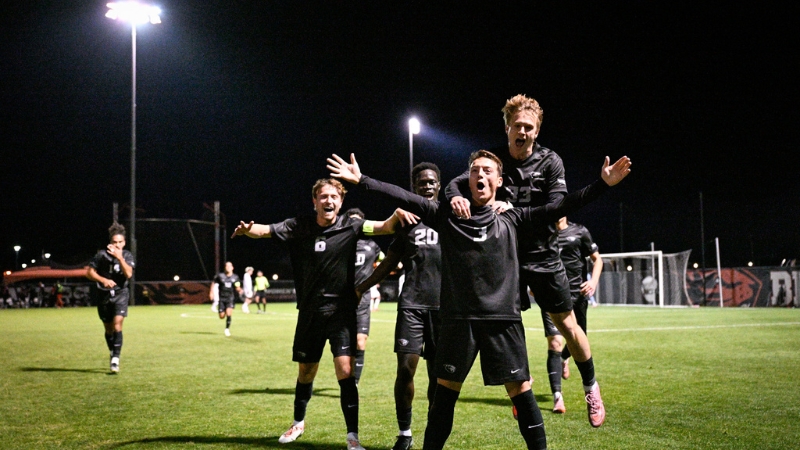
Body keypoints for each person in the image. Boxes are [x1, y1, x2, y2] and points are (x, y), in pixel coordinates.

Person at [327, 150, 631, 450]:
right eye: (475, 171)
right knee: (444, 398)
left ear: (499, 181)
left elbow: (561, 206)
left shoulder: (514, 217)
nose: (480, 175)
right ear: (468, 180)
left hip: (503, 323)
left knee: (522, 393)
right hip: (459, 323)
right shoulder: (447, 216)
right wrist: (362, 180)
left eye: (487, 171)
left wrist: (602, 185)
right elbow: (404, 197)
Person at [446, 94, 608, 427]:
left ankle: (591, 386)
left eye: (530, 128)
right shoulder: (493, 160)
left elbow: (558, 206)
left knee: (567, 324)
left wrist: (517, 212)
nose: (523, 132)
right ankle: (521, 394)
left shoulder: (550, 162)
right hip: (506, 259)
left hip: (544, 256)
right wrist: (456, 197)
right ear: (507, 127)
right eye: (517, 125)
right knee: (508, 326)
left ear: (537, 131)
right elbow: (455, 184)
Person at [231, 178, 412, 450]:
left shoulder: (351, 226)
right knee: (306, 372)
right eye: (323, 196)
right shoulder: (298, 226)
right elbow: (266, 230)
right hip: (310, 314)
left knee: (346, 371)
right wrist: (248, 230)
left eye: (334, 197)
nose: (329, 201)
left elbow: (384, 227)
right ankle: (298, 423)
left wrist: (396, 216)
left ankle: (353, 437)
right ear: (314, 201)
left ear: (341, 202)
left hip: (341, 314)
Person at [354, 162, 443, 450]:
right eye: (421, 183)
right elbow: (389, 262)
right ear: (414, 188)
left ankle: (433, 431)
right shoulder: (407, 222)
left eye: (431, 182)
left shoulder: (451, 217)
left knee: (437, 377)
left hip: (444, 308)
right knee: (406, 369)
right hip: (412, 306)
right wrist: (360, 288)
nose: (427, 186)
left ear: (439, 185)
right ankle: (404, 434)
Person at [554, 217, 604, 408]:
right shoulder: (545, 234)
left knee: (578, 336)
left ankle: (562, 358)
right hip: (555, 295)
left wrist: (593, 282)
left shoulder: (580, 231)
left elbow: (597, 259)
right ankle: (557, 389)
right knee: (556, 339)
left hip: (578, 295)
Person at [85, 222, 136, 374]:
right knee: (108, 329)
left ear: (124, 242)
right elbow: (89, 273)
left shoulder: (127, 255)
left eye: (120, 242)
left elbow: (128, 274)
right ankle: (112, 352)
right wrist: (103, 280)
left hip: (121, 293)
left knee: (118, 324)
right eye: (115, 242)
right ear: (110, 243)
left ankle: (116, 359)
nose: (118, 245)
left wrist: (120, 258)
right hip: (104, 295)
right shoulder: (101, 255)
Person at [344, 208, 386, 386]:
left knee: (361, 342)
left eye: (358, 221)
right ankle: (345, 378)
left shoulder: (373, 246)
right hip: (341, 301)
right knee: (343, 346)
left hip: (362, 300)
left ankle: (354, 383)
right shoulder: (340, 243)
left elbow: (386, 261)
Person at [210, 261, 243, 336]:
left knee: (229, 314)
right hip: (221, 298)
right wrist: (211, 292)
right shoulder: (220, 276)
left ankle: (227, 329)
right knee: (221, 316)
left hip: (230, 298)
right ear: (225, 267)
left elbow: (237, 286)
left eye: (229, 266)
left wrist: (239, 289)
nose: (228, 267)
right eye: (226, 266)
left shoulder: (235, 277)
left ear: (232, 268)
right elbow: (213, 282)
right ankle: (223, 310)